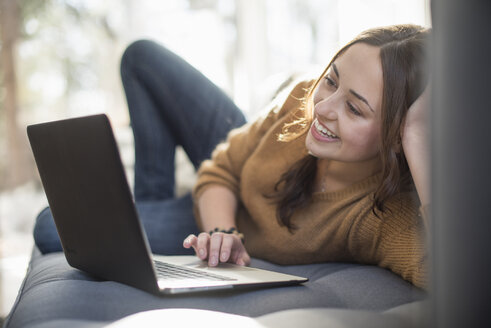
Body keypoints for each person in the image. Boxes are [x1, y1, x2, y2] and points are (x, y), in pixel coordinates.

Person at [33, 24, 430, 289]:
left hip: (222, 223)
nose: (324, 107)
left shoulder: (381, 217)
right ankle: (147, 203)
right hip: (229, 201)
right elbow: (221, 168)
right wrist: (222, 234)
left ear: (397, 135)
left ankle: (141, 216)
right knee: (141, 57)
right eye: (331, 80)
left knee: (52, 226)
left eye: (355, 109)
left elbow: (462, 277)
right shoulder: (303, 102)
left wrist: (417, 135)